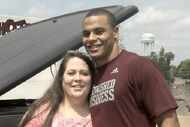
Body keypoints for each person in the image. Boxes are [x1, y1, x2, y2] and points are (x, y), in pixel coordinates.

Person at [82, 8, 180, 127]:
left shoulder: (138, 67)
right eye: (86, 34)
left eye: (99, 31)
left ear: (115, 32)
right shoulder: (88, 78)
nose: (91, 38)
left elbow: (169, 120)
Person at [18, 50, 95, 127]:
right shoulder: (41, 114)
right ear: (61, 78)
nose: (77, 78)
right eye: (71, 73)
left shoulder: (102, 112)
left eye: (84, 74)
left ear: (92, 78)